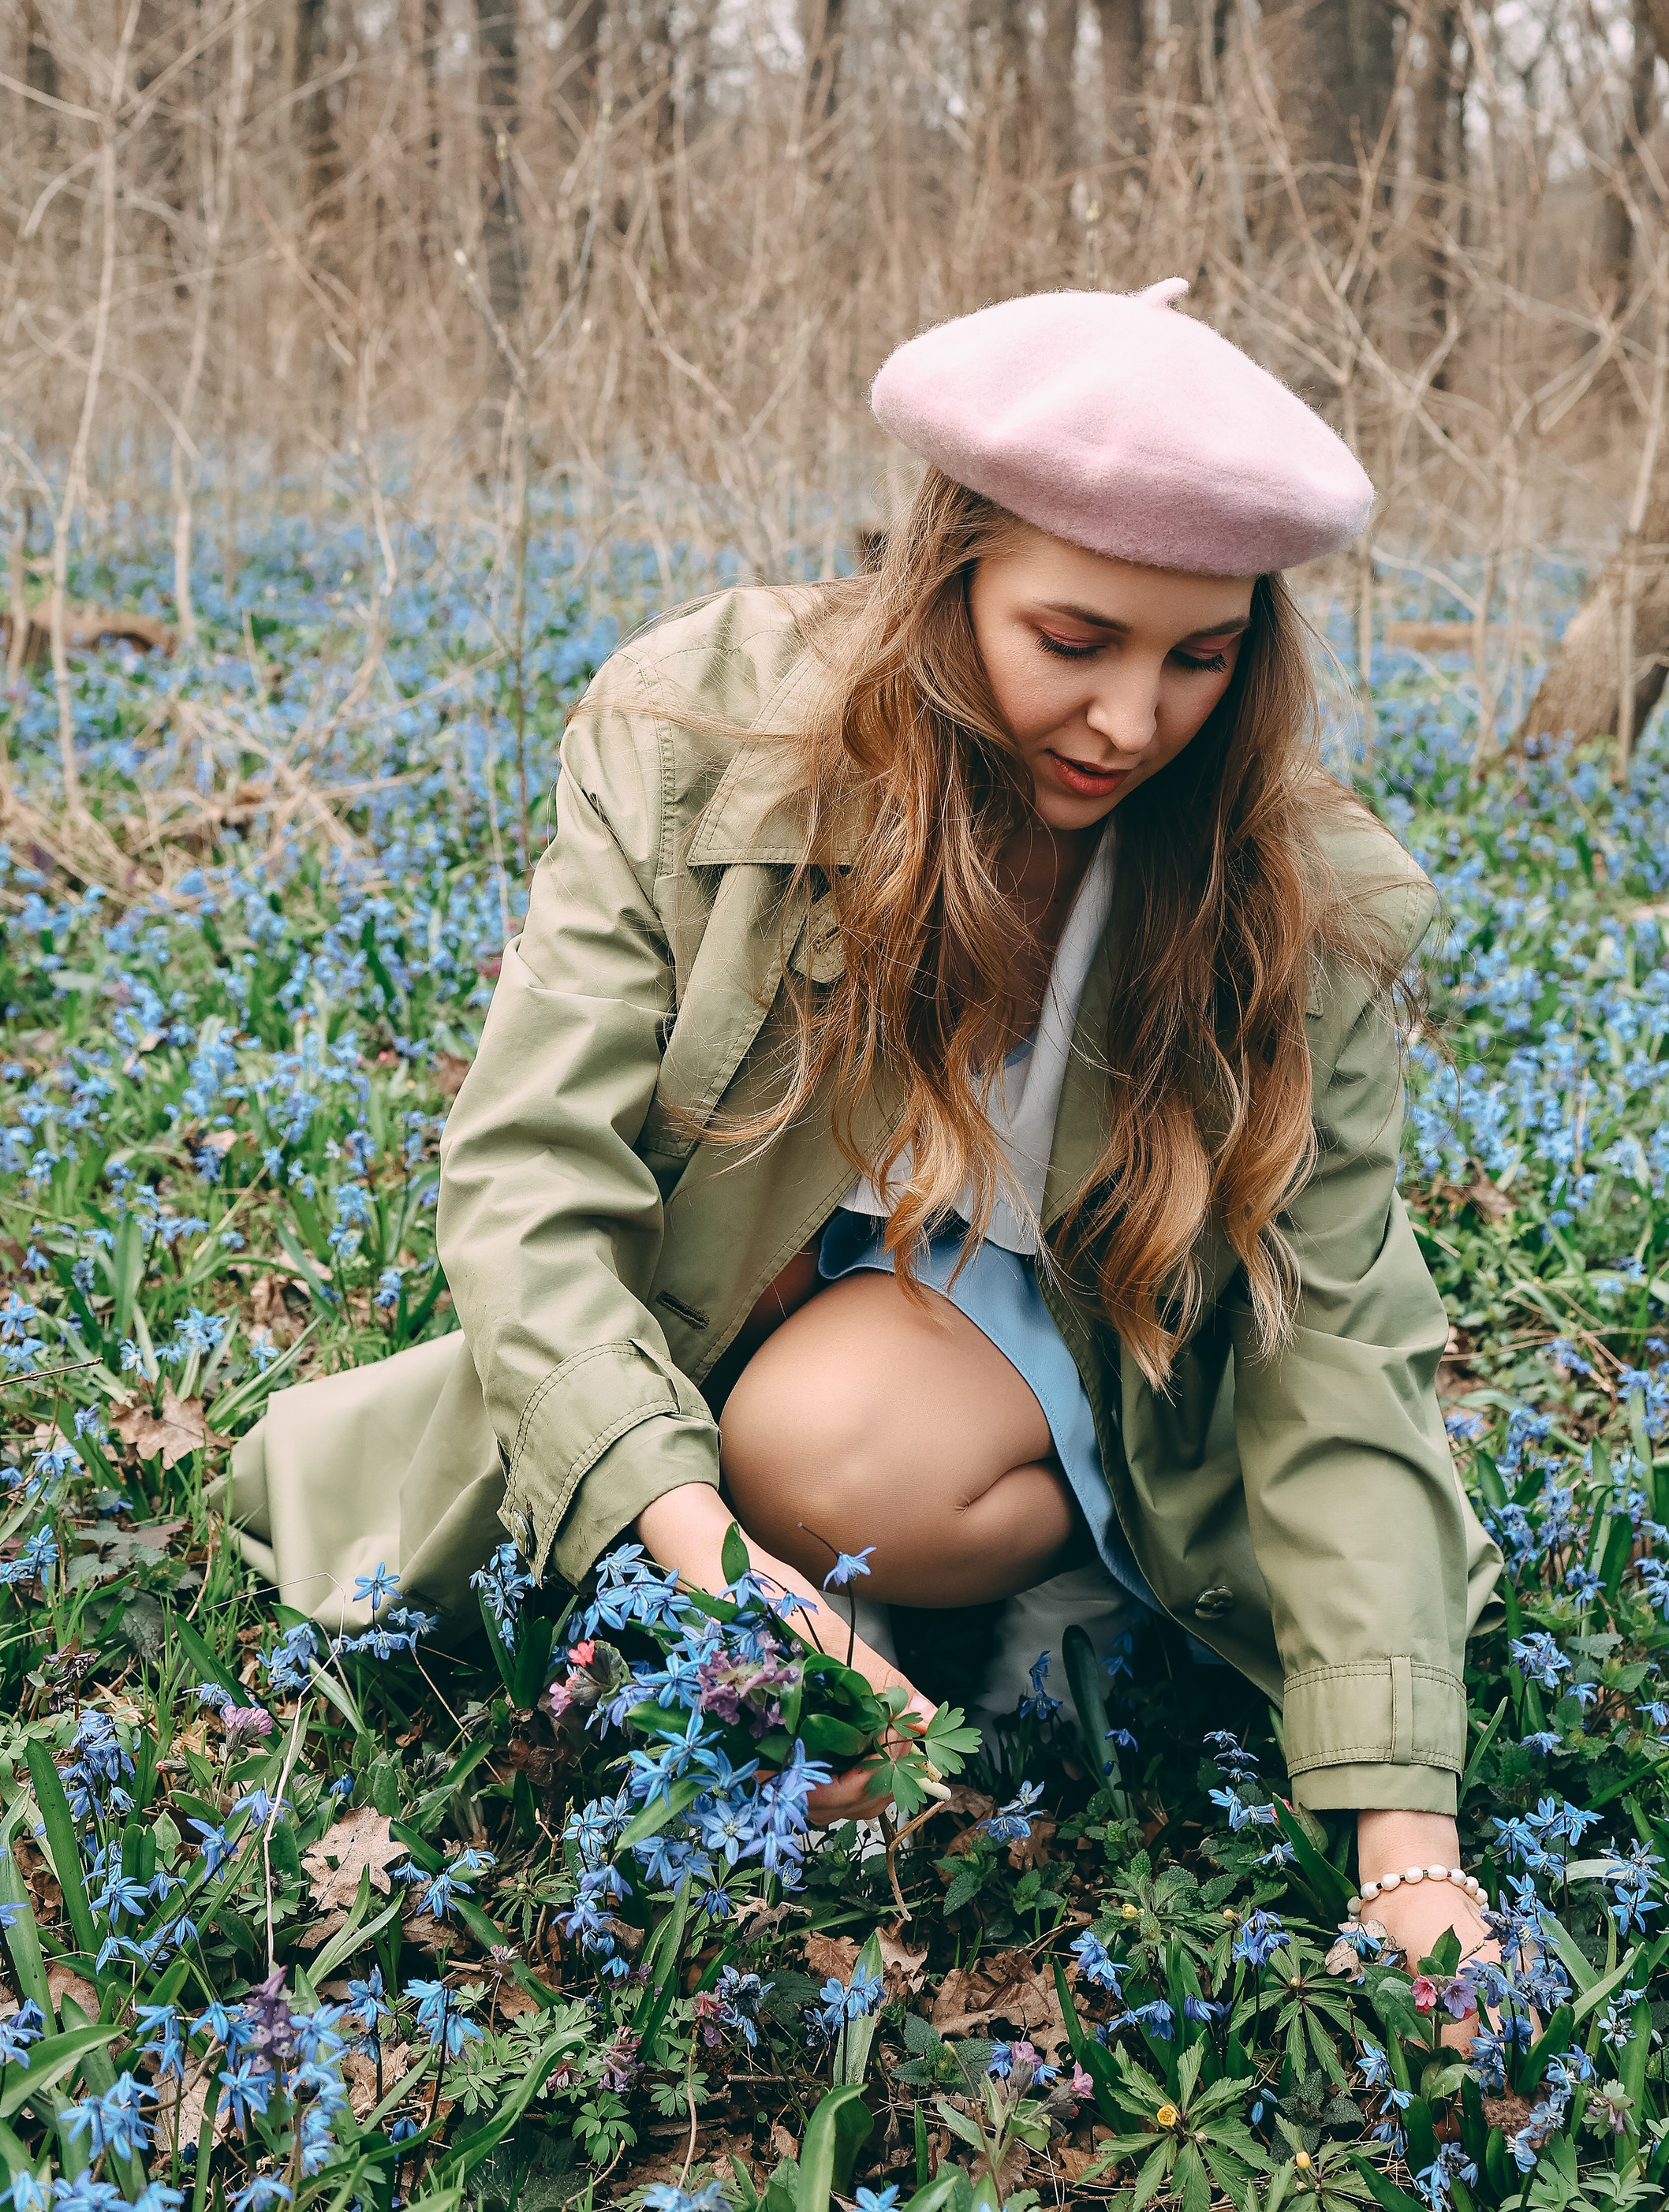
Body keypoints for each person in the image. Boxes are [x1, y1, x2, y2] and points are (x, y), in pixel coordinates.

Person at [228, 281, 1500, 1973]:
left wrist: (1408, 1847)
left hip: (1073, 1330)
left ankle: (1064, 1577)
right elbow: (531, 1173)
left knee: (822, 1456)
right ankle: (816, 1585)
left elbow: (1334, 1343)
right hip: (749, 1273)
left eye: (1198, 658)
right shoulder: (700, 730)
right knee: (697, 1471)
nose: (1131, 722)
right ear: (947, 564)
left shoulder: (1295, 894)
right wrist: (708, 1562)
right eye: (1072, 641)